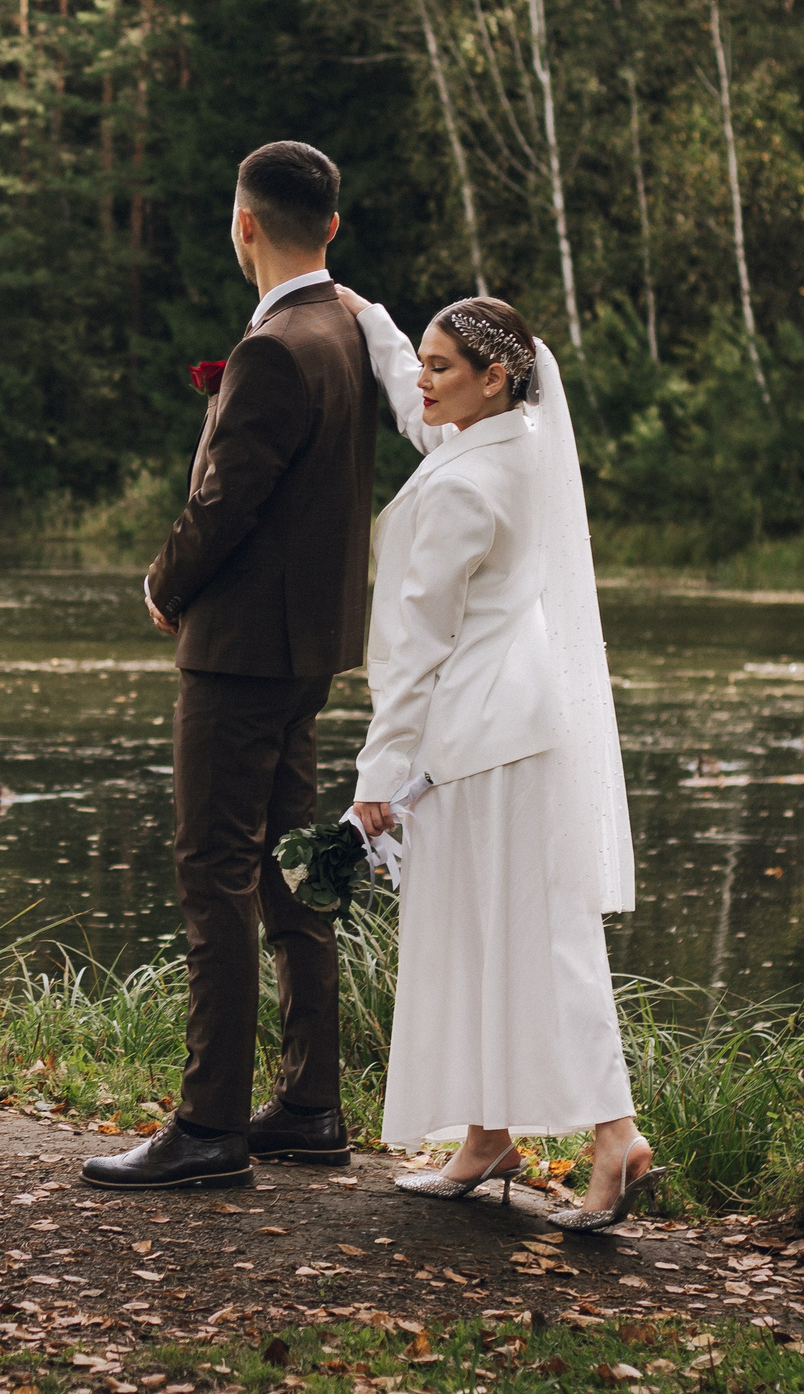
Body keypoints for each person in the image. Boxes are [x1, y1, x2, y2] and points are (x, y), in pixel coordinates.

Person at [335, 287, 663, 1233]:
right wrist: (378, 327)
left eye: (445, 368)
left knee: (535, 938)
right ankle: (487, 1135)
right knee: (492, 931)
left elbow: (410, 653)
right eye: (426, 364)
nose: (426, 384)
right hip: (521, 730)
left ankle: (615, 1134)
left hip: (475, 743)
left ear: (496, 376)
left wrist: (373, 783)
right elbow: (422, 411)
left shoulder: (463, 485)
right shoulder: (517, 446)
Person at [82, 141, 376, 1191]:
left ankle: (208, 1125)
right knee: (297, 874)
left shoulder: (274, 348)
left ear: (242, 224)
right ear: (328, 227)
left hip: (241, 654)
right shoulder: (345, 327)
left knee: (213, 874)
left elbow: (223, 504)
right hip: (311, 654)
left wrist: (164, 585)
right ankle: (310, 1102)